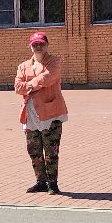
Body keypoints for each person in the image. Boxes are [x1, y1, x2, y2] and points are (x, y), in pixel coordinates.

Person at [14, 32, 67, 194]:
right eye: (35, 44)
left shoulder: (54, 62)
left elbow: (48, 78)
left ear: (47, 45)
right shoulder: (23, 66)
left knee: (51, 151)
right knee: (34, 150)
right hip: (30, 115)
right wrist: (34, 85)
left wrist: (28, 85)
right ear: (30, 46)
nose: (38, 47)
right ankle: (40, 181)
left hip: (51, 113)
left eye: (41, 44)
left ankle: (53, 183)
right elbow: (17, 86)